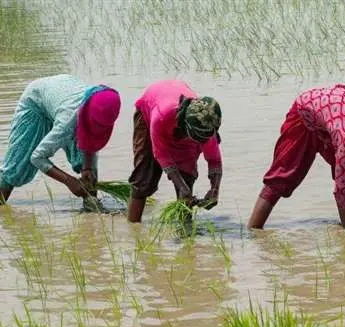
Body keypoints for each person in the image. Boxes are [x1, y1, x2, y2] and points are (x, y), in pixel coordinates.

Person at [247, 83, 345, 230]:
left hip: (335, 115)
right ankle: (253, 231)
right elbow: (341, 190)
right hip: (304, 114)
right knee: (282, 177)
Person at [0, 74, 120, 204]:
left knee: (89, 168)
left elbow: (90, 143)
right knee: (16, 166)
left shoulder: (104, 107)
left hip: (63, 93)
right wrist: (69, 181)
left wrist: (87, 168)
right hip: (36, 103)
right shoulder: (68, 122)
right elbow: (37, 157)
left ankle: (92, 210)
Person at [127, 80, 223, 223]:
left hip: (184, 124)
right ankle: (133, 227)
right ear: (185, 127)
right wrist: (180, 185)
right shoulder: (161, 116)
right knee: (144, 178)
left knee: (187, 179)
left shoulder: (206, 124)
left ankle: (186, 233)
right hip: (150, 110)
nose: (201, 142)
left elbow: (214, 160)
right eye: (197, 139)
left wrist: (214, 190)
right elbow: (161, 154)